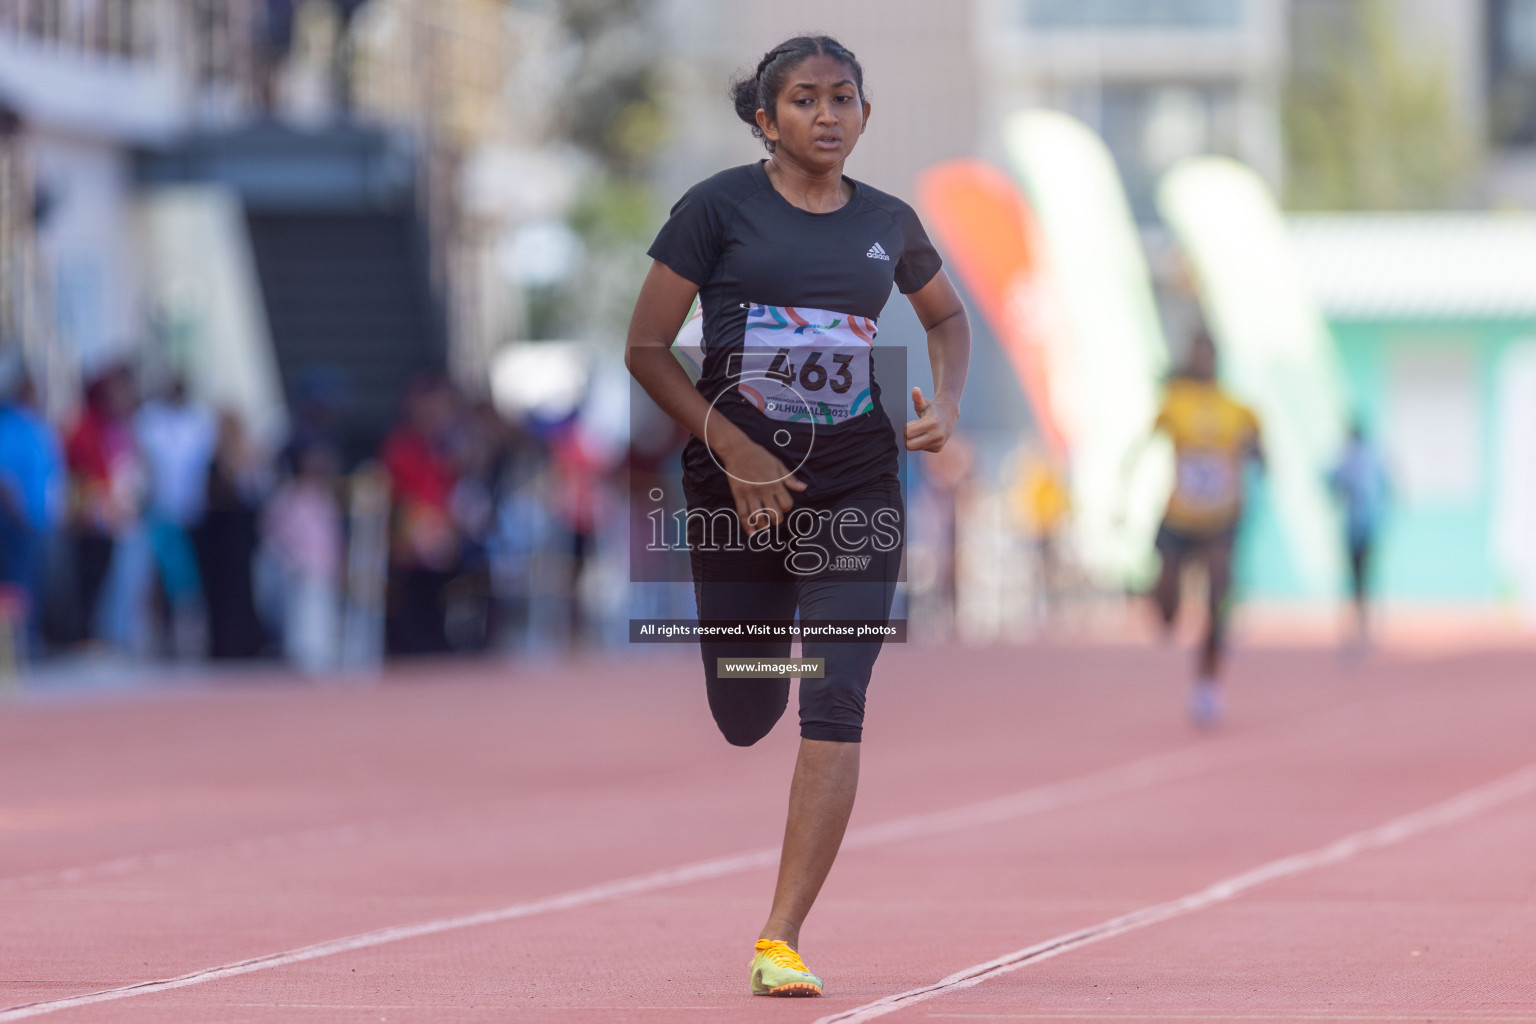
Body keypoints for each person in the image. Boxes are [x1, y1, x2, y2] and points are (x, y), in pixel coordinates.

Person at [624, 36, 969, 998]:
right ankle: (782, 630)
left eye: (844, 99)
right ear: (766, 119)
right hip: (737, 485)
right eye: (806, 100)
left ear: (865, 115)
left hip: (857, 482)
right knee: (746, 711)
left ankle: (781, 936)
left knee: (837, 696)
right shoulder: (715, 210)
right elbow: (646, 347)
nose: (828, 115)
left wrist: (945, 398)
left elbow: (947, 318)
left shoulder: (890, 223)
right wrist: (731, 446)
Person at [1130, 331, 1262, 728]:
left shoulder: (1240, 410)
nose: (1202, 360)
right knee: (1166, 609)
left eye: (1208, 353)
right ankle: (1165, 609)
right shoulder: (1175, 404)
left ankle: (1207, 683)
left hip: (1221, 520)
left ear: (1217, 359)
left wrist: (1255, 457)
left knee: (1217, 595)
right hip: (1178, 517)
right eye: (1196, 352)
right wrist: (1124, 491)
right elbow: (1144, 445)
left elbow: (1260, 452)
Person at [0, 357, 64, 657]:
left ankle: (29, 640)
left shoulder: (37, 424)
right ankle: (16, 646)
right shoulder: (9, 425)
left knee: (35, 583)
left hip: (40, 518)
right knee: (18, 583)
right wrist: (18, 513)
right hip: (19, 519)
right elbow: (5, 476)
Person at [1329, 420, 1390, 652]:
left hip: (1356, 526)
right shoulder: (1374, 457)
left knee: (1357, 577)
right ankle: (1363, 625)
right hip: (1370, 526)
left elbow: (1333, 486)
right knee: (1364, 576)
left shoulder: (1348, 459)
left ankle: (1360, 625)